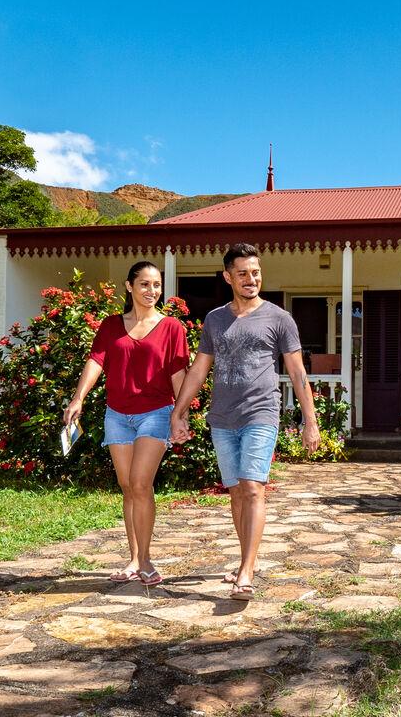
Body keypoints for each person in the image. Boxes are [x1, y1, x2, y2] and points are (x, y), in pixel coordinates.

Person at [173, 243, 319, 600]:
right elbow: (199, 370)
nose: (251, 279)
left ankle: (247, 572)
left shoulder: (279, 318)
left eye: (255, 272)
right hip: (223, 417)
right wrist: (179, 411)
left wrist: (309, 420)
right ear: (228, 277)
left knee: (253, 487)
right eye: (243, 273)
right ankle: (243, 561)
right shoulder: (215, 319)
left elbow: (298, 373)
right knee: (237, 492)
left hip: (261, 413)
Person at [62, 261, 191, 585]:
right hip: (117, 415)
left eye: (157, 285)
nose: (152, 291)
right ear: (129, 286)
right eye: (145, 284)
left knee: (140, 484)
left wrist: (181, 415)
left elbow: (179, 373)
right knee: (127, 487)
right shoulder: (110, 326)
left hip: (155, 413)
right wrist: (78, 398)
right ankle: (134, 558)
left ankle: (146, 560)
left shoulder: (172, 328)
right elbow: (96, 361)